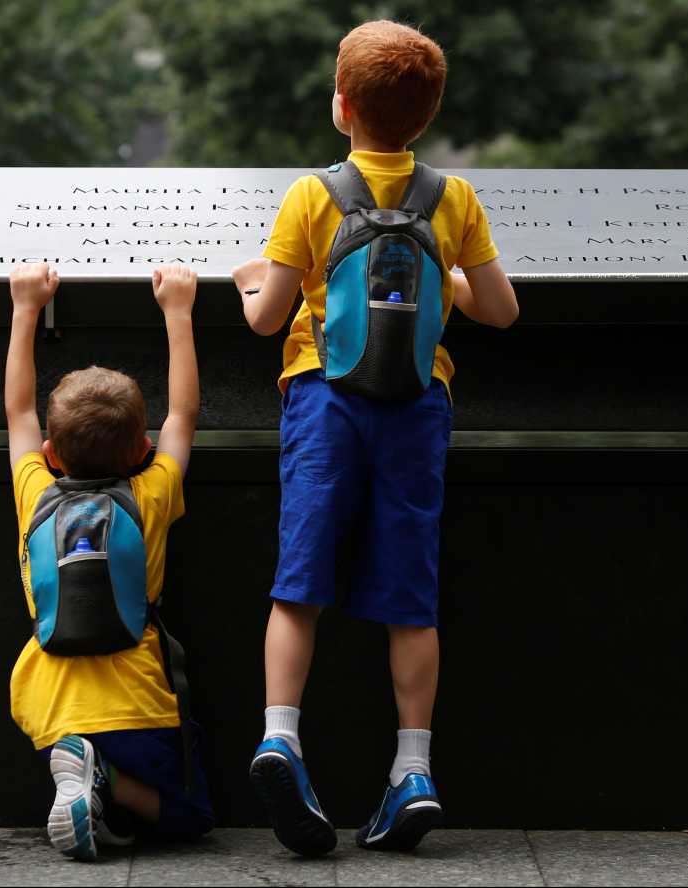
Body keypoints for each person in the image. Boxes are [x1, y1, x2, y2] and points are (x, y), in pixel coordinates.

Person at [230, 19, 520, 857]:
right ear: (425, 117)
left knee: (301, 580)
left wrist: (251, 279)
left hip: (325, 398)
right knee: (409, 589)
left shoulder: (312, 195)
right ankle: (413, 770)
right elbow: (501, 311)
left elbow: (264, 320)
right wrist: (452, 276)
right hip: (416, 406)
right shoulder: (453, 198)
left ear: (341, 106)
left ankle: (281, 736)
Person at [3, 262, 213, 861]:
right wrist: (178, 312)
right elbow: (185, 416)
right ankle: (107, 782)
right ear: (143, 451)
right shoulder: (151, 496)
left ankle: (80, 771)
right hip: (139, 703)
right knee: (191, 814)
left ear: (50, 452)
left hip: (50, 702)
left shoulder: (34, 492)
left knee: (81, 746)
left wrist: (25, 311)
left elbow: (18, 414)